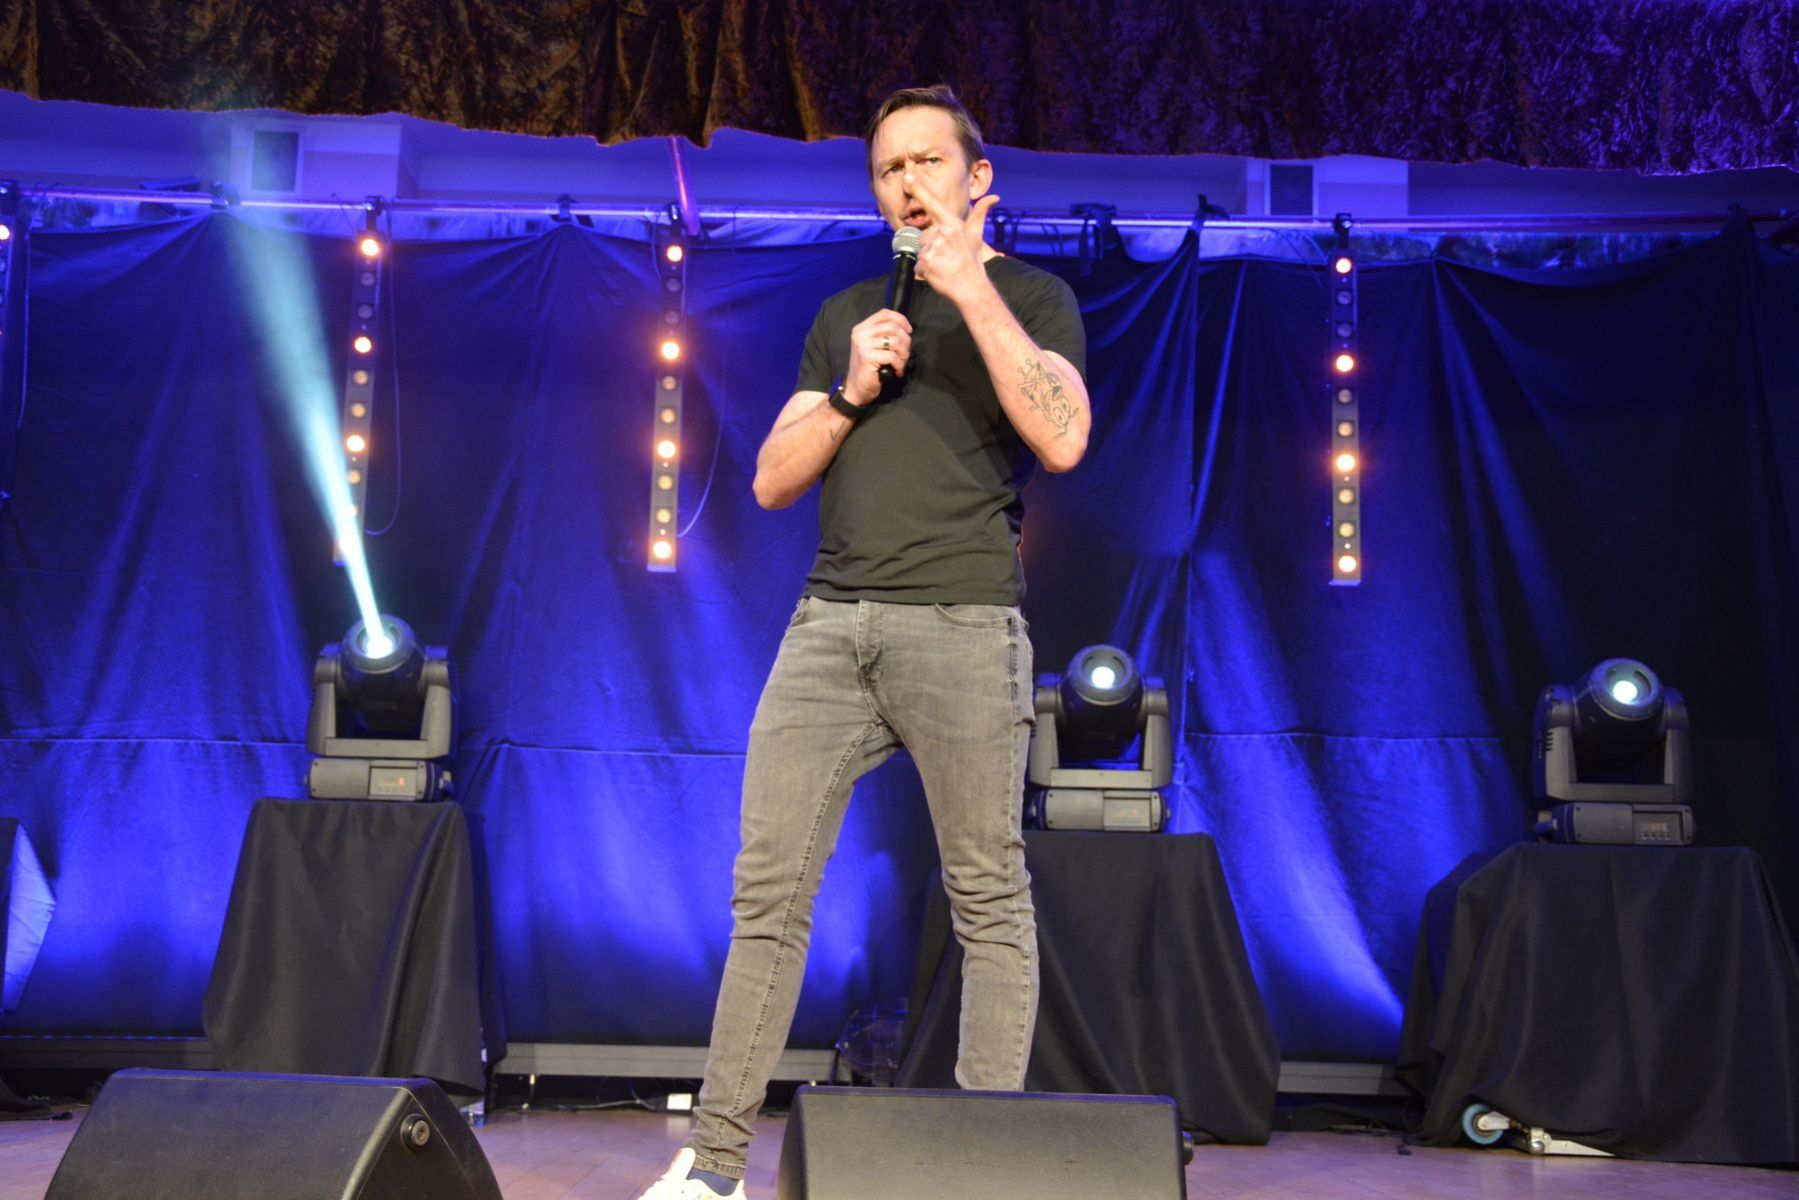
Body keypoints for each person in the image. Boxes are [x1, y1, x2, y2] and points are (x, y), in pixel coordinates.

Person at [638, 83, 1091, 1200]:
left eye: (928, 162)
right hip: (829, 629)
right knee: (766, 898)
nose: (906, 183)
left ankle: (981, 1176)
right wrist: (847, 390)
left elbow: (1063, 437)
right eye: (888, 169)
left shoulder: (1033, 297)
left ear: (977, 180)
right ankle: (713, 1171)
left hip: (964, 627)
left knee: (987, 897)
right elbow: (770, 478)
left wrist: (967, 288)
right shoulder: (850, 312)